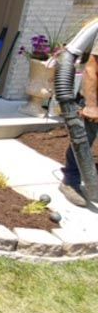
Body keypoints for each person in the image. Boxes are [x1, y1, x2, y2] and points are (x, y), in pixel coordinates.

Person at [61, 49, 98, 207]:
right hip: (95, 101)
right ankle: (70, 181)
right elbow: (92, 67)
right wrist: (91, 105)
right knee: (83, 140)